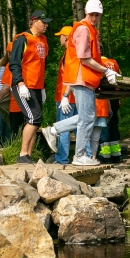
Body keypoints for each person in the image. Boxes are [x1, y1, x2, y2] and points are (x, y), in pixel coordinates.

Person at [40, 0, 119, 166]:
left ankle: (54, 130)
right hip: (81, 77)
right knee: (88, 117)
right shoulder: (83, 30)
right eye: (92, 15)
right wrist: (106, 70)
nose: (95, 18)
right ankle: (79, 155)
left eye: (97, 15)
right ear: (85, 12)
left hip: (85, 78)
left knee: (87, 117)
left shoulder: (89, 29)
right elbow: (84, 58)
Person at [8, 10, 52, 164]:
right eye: (43, 22)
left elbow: (42, 65)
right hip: (23, 85)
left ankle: (28, 156)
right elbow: (14, 64)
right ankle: (22, 154)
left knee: (35, 120)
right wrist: (20, 84)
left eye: (47, 22)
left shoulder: (43, 40)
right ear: (34, 22)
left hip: (37, 86)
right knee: (34, 117)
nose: (46, 25)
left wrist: (43, 87)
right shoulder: (22, 39)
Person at [53, 26, 77, 164]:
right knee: (79, 128)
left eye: (60, 36)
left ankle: (62, 159)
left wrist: (65, 96)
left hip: (66, 99)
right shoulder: (71, 53)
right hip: (72, 97)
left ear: (66, 37)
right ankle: (84, 155)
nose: (59, 39)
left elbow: (70, 76)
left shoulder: (69, 54)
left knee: (63, 128)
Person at [99, 56, 122, 163]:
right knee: (113, 124)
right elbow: (119, 78)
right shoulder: (114, 62)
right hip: (115, 97)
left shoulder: (96, 62)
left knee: (103, 125)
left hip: (102, 98)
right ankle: (117, 155)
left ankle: (105, 156)